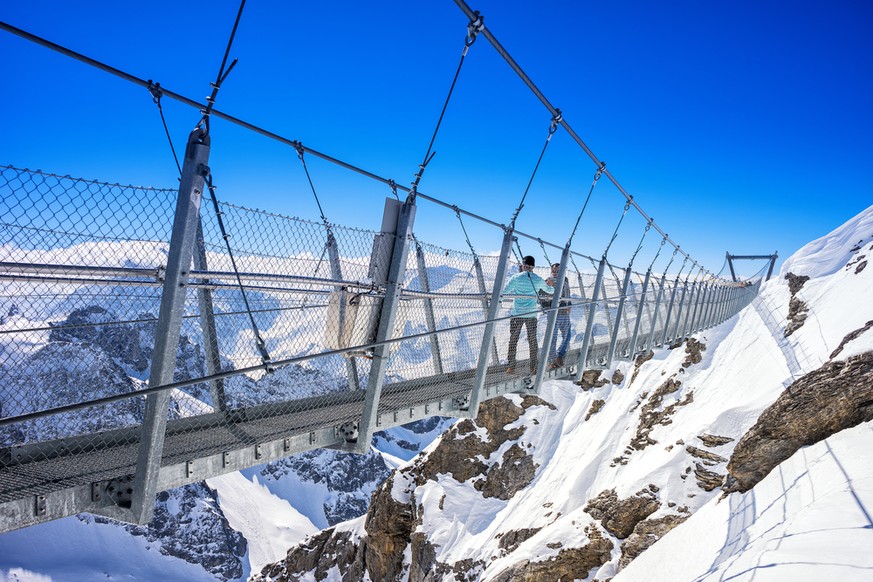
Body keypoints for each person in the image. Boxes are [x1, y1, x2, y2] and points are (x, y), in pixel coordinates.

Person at [502, 255, 553, 375]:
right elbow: (551, 291)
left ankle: (511, 366)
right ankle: (533, 367)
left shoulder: (515, 278)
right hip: (531, 314)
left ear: (523, 265)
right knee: (532, 341)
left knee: (513, 340)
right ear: (533, 267)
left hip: (517, 314)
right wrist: (549, 284)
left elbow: (504, 292)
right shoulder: (538, 279)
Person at [546, 262, 572, 368]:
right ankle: (551, 360)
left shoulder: (565, 280)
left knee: (567, 335)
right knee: (553, 337)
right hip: (554, 313)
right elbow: (544, 296)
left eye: (558, 270)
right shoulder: (547, 281)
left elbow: (568, 293)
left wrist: (569, 304)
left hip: (564, 312)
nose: (555, 272)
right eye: (553, 270)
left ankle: (559, 355)